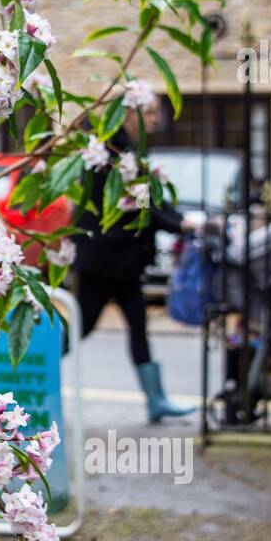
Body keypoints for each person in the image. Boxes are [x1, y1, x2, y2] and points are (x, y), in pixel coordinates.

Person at [73, 102, 194, 423]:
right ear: (128, 113)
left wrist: (180, 220)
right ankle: (32, 372)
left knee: (137, 326)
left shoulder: (127, 152)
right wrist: (179, 225)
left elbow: (152, 200)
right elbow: (142, 206)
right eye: (150, 111)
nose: (156, 118)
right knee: (81, 326)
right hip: (103, 261)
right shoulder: (113, 155)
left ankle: (156, 400)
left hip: (123, 263)